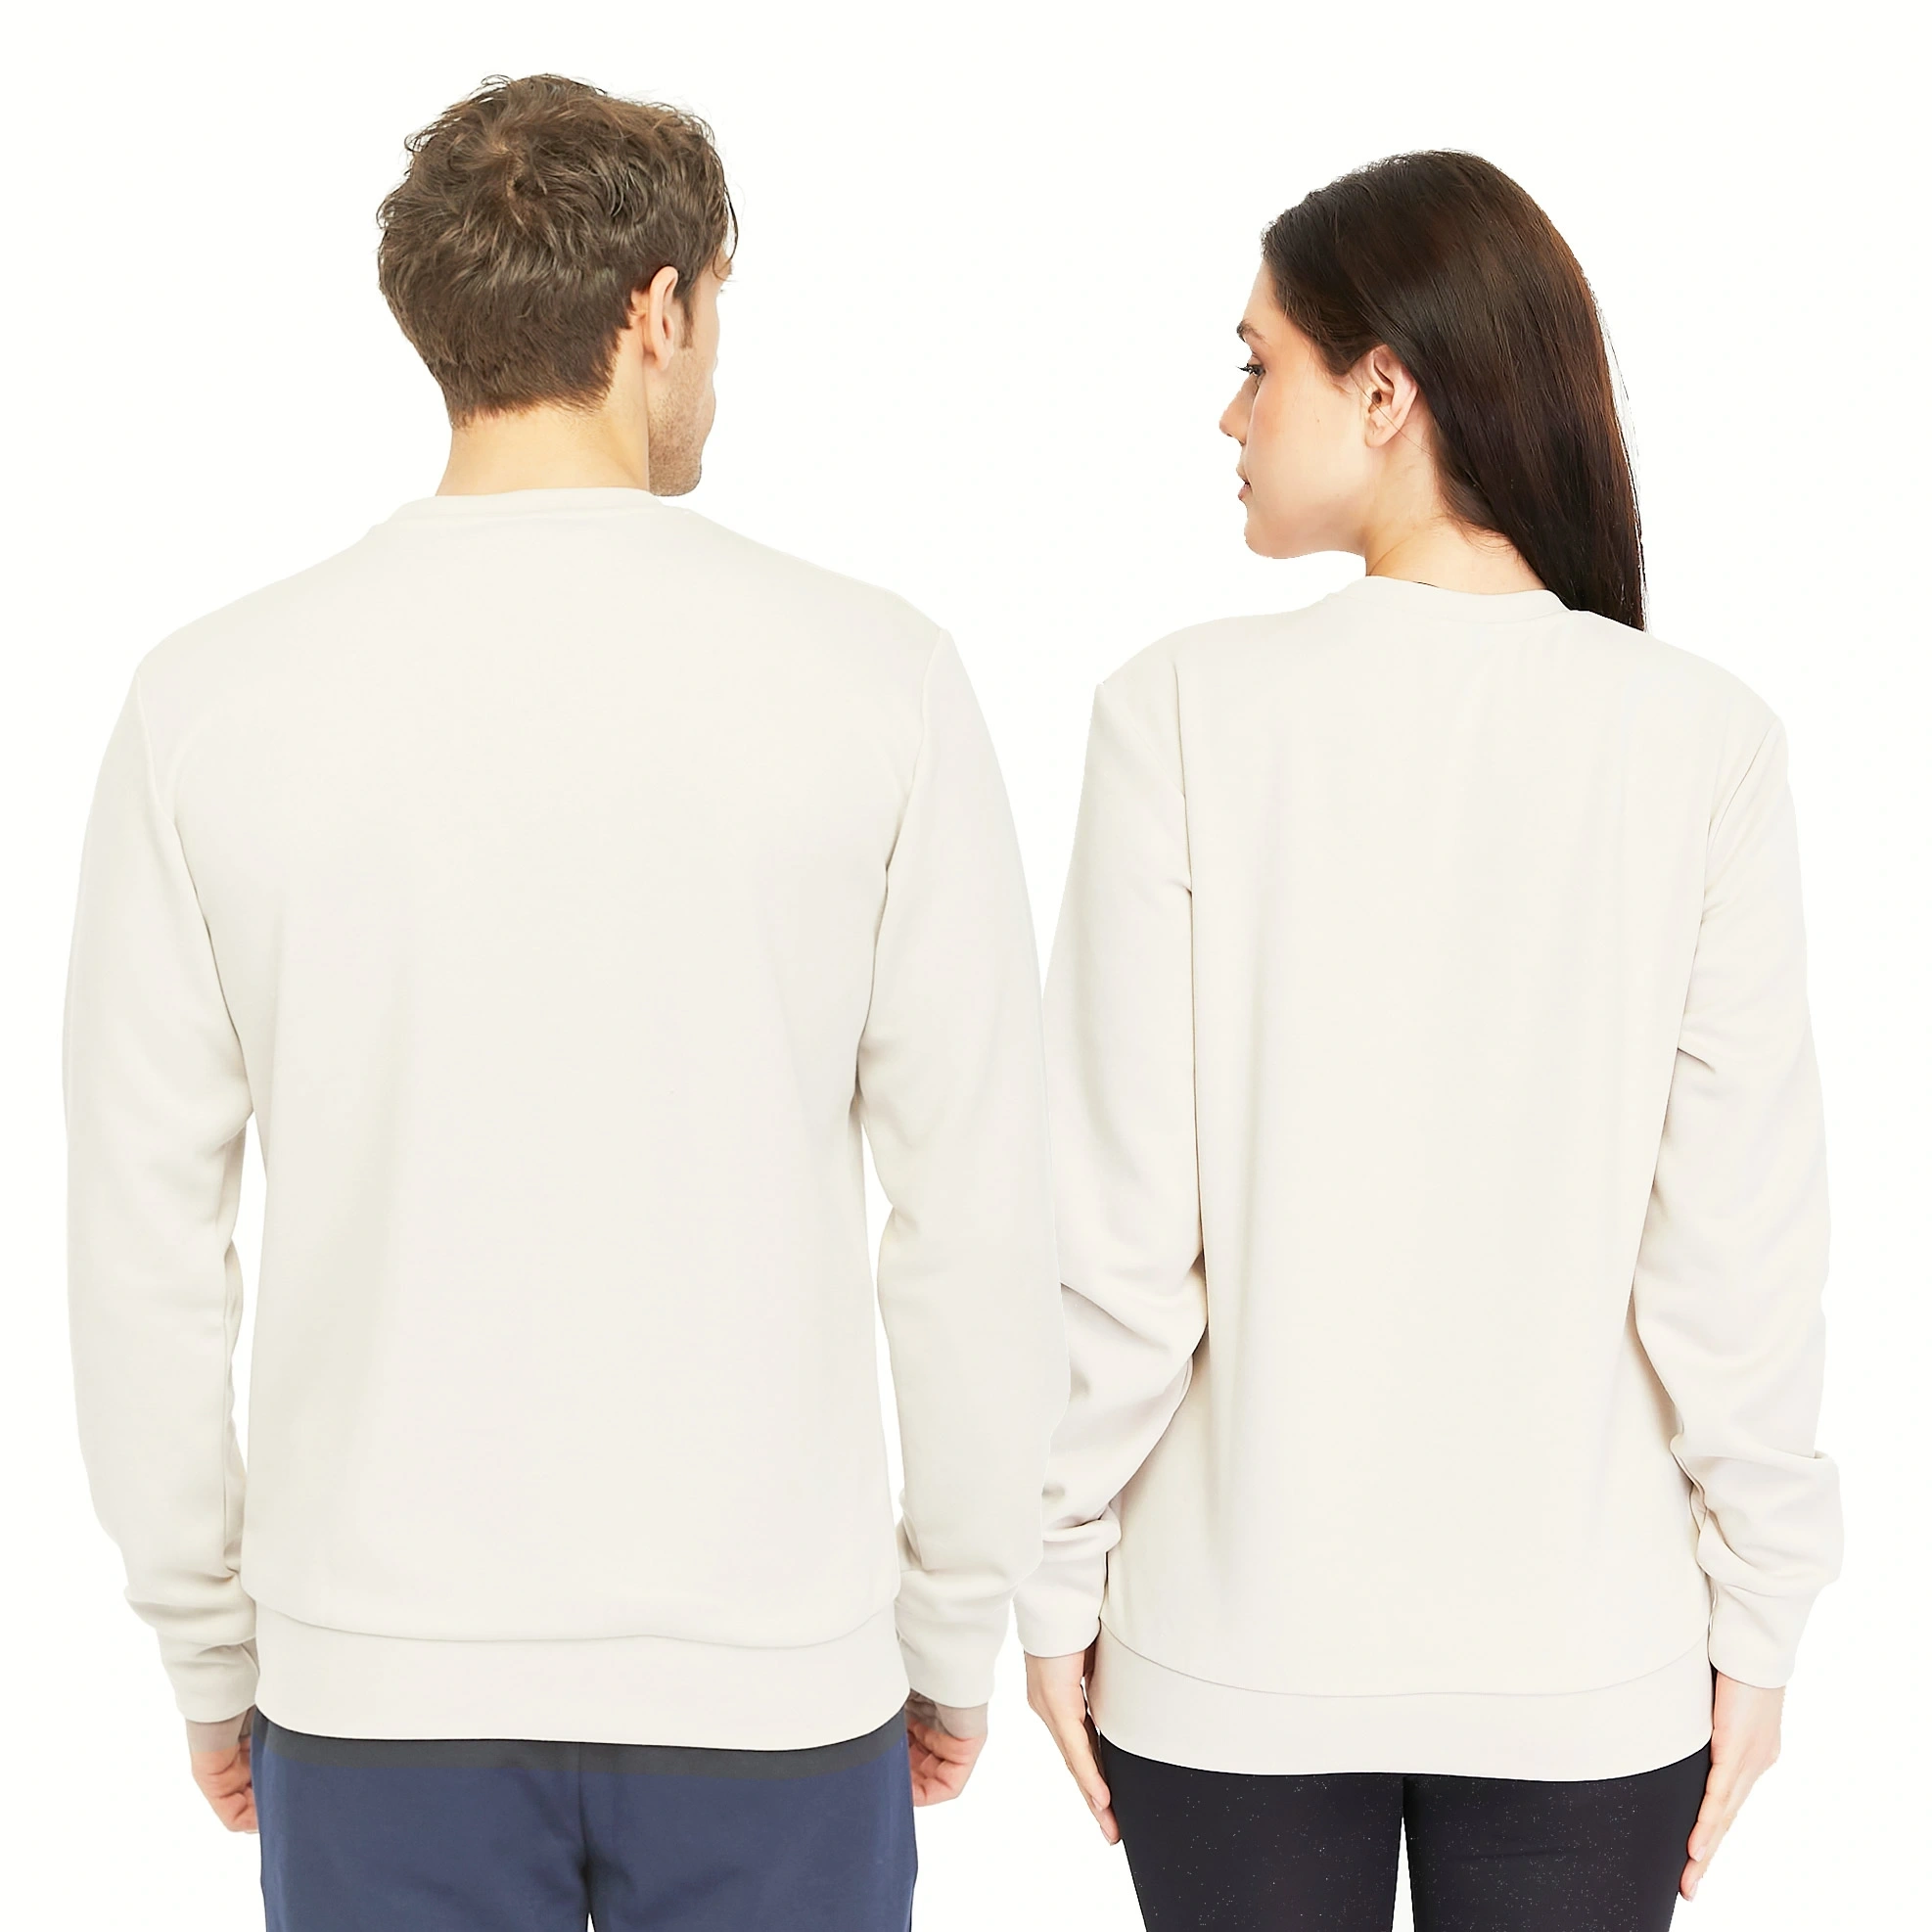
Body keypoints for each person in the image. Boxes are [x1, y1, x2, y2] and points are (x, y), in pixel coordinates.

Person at [62, 72, 1063, 1932]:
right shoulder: (877, 679)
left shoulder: (211, 701)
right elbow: (978, 1211)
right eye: (718, 309)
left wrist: (207, 1641)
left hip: (376, 1679)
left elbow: (142, 1237)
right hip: (773, 1680)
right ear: (655, 310)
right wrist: (952, 1615)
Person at [1016, 151, 1840, 1932]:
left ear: (1383, 388)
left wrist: (1050, 1568)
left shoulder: (1178, 712)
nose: (1229, 413)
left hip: (1228, 1652)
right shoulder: (1699, 739)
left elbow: (1112, 1235)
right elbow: (1737, 1255)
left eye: (1258, 364)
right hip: (1586, 1663)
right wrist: (1762, 1611)